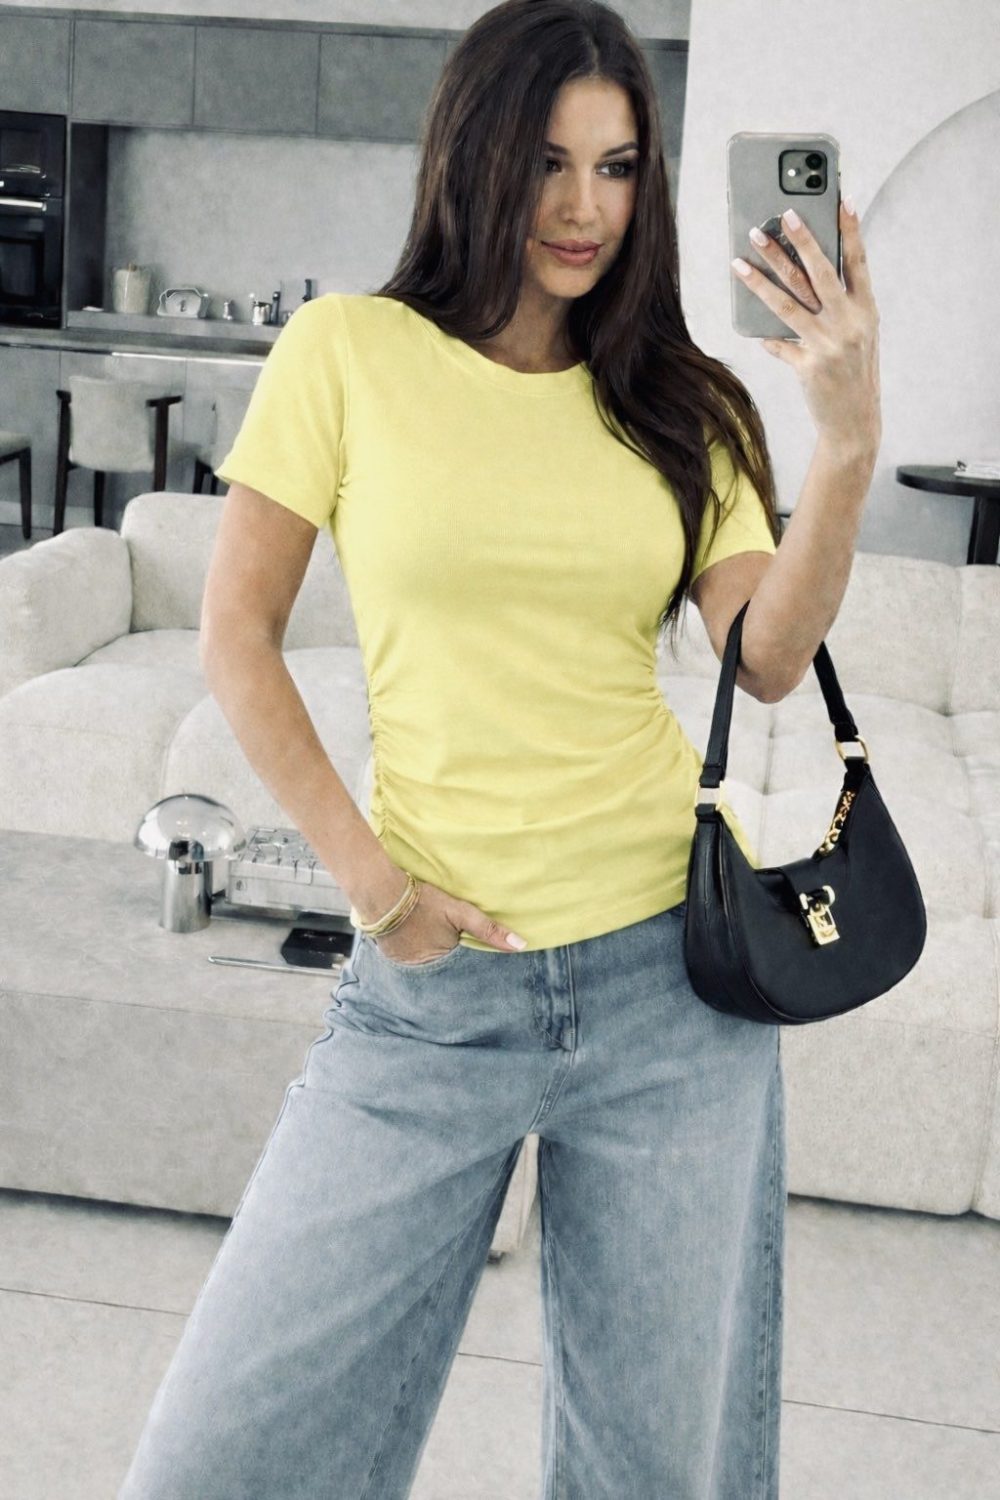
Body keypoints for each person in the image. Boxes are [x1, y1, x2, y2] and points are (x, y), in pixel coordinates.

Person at [117, 1, 881, 1495]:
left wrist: (845, 445)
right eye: (547, 160)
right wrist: (373, 885)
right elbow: (236, 636)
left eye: (617, 166)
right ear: (474, 155)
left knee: (652, 1474)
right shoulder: (350, 352)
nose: (584, 206)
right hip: (429, 992)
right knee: (217, 1459)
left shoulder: (688, 403)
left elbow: (768, 661)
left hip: (676, 990)